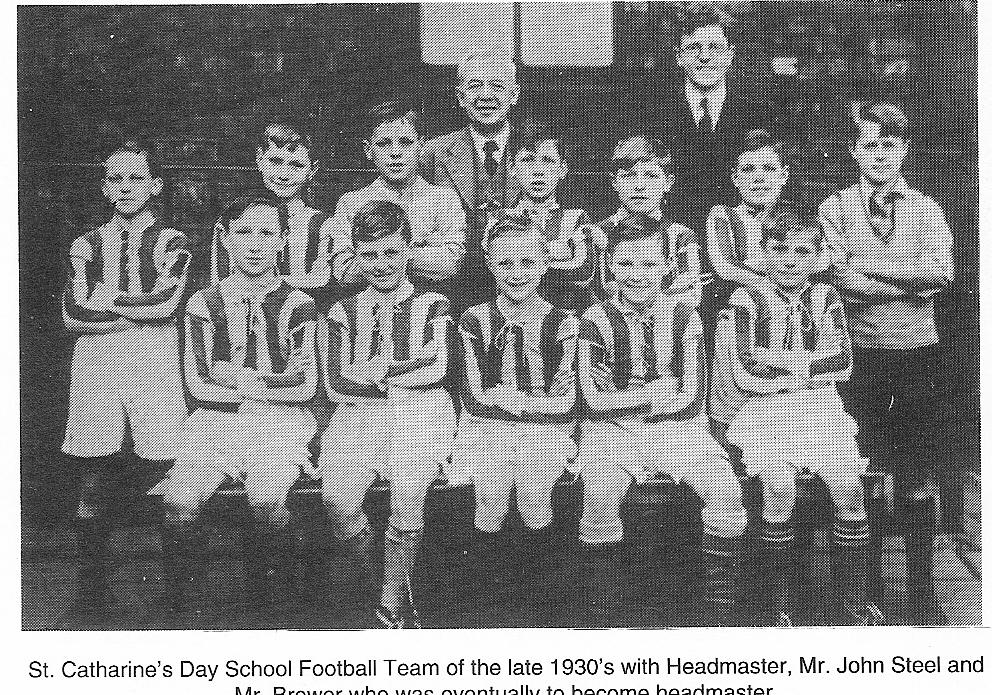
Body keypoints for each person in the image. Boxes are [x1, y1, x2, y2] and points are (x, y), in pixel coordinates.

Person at [819, 101, 954, 625]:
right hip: (858, 357)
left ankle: (922, 588)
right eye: (869, 146)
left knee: (917, 471)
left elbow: (941, 271)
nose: (879, 156)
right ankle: (867, 587)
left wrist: (869, 267)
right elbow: (837, 279)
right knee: (865, 469)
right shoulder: (835, 209)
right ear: (855, 153)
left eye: (890, 145)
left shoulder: (926, 208)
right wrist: (906, 276)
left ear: (905, 150)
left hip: (917, 352)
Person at [577, 214, 746, 627]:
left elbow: (689, 398)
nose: (638, 275)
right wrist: (654, 392)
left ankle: (718, 615)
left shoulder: (686, 316)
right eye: (626, 264)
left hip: (679, 430)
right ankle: (606, 618)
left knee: (727, 495)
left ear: (668, 268)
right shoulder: (593, 320)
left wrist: (629, 398)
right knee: (600, 497)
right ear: (609, 267)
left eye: (650, 265)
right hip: (610, 434)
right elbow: (595, 401)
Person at [717, 208, 884, 626]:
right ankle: (781, 604)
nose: (790, 260)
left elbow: (843, 362)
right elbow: (745, 373)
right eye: (779, 250)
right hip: (765, 415)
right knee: (778, 488)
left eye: (801, 251)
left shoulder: (826, 298)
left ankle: (854, 603)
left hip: (820, 412)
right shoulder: (745, 299)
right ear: (762, 252)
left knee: (848, 488)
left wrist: (780, 361)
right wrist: (809, 365)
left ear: (818, 256)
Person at [161, 195, 318, 613]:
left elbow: (305, 385)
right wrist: (269, 385)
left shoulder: (299, 303)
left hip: (280, 423)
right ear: (226, 239)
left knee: (266, 500)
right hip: (217, 422)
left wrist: (241, 377)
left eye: (267, 233)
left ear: (283, 241)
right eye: (244, 232)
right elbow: (199, 386)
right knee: (178, 502)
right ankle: (184, 605)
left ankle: (275, 589)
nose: (254, 244)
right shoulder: (204, 302)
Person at [61, 138, 191, 618]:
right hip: (96, 358)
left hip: (155, 358)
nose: (126, 188)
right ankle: (91, 588)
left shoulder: (173, 241)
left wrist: (108, 304)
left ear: (155, 186)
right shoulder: (86, 243)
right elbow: (73, 314)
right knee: (96, 467)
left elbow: (167, 306)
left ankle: (176, 588)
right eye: (116, 178)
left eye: (137, 178)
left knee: (163, 460)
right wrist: (134, 311)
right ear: (104, 187)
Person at [319, 201, 455, 629]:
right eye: (370, 253)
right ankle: (380, 574)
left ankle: (392, 601)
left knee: (408, 493)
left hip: (421, 412)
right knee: (337, 499)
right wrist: (403, 368)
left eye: (392, 252)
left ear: (409, 250)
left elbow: (436, 369)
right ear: (356, 255)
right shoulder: (343, 311)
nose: (381, 264)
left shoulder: (433, 303)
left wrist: (378, 370)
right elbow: (337, 382)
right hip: (359, 415)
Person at [452, 216, 578, 607]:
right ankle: (490, 589)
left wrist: (514, 401)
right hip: (486, 427)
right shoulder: (475, 319)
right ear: (489, 263)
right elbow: (473, 397)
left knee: (534, 491)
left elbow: (566, 403)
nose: (517, 274)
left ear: (545, 264)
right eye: (505, 263)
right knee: (490, 494)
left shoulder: (563, 323)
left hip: (545, 429)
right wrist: (510, 404)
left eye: (528, 263)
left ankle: (538, 587)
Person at [642, 5, 772, 342]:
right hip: (673, 246)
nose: (704, 58)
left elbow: (771, 179)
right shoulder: (654, 108)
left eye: (714, 48)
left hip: (741, 246)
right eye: (694, 49)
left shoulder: (755, 106)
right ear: (679, 58)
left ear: (729, 54)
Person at [419, 53, 523, 316]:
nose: (485, 96)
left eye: (497, 86)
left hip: (521, 281)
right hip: (454, 288)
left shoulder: (535, 151)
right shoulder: (434, 153)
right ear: (461, 97)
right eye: (475, 86)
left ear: (514, 94)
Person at [707, 129, 791, 447]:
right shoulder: (724, 216)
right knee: (733, 392)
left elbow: (816, 259)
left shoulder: (797, 217)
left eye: (768, 169)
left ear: (783, 175)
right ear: (735, 178)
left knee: (781, 389)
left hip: (786, 313)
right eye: (748, 170)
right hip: (738, 315)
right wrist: (769, 282)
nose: (758, 178)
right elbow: (725, 266)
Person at [330, 101, 466, 297]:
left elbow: (451, 264)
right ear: (368, 150)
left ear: (420, 145)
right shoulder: (351, 203)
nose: (395, 152)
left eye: (405, 142)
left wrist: (373, 255)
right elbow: (345, 272)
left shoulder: (444, 199)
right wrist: (423, 248)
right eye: (383, 144)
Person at [211, 118, 338, 310]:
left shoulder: (322, 225)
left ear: (312, 169)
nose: (284, 174)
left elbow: (321, 280)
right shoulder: (233, 220)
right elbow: (220, 283)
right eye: (275, 161)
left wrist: (259, 281)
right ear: (260, 159)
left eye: (296, 165)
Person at [503, 120, 604, 313]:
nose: (538, 171)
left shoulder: (576, 219)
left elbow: (582, 272)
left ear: (562, 169)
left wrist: (526, 259)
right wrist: (560, 249)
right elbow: (499, 275)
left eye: (547, 160)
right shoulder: (501, 220)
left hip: (568, 323)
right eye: (528, 160)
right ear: (513, 169)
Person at [595, 136, 703, 305]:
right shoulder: (599, 232)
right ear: (614, 182)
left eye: (651, 176)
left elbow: (692, 295)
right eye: (629, 176)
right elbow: (594, 294)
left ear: (668, 182)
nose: (639, 185)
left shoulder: (680, 235)